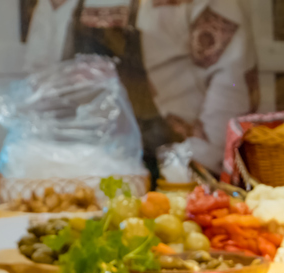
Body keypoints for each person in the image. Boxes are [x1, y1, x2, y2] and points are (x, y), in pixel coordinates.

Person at [25, 0, 258, 173]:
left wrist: (201, 162)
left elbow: (232, 78)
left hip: (181, 168)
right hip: (88, 167)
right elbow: (43, 78)